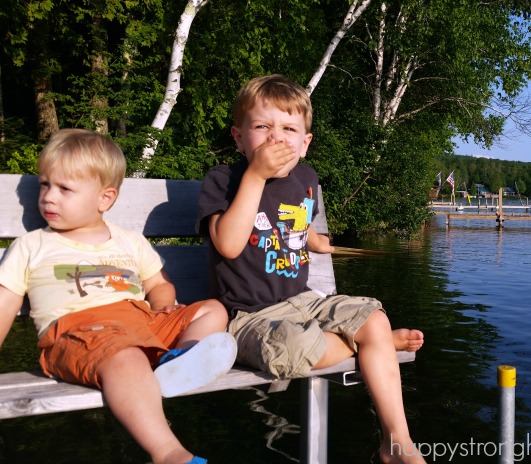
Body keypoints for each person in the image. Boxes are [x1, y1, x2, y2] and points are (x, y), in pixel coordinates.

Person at [196, 74, 426, 463]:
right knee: (298, 346)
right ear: (239, 137)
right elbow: (230, 244)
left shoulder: (306, 177)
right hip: (251, 317)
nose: (276, 139)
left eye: (289, 129)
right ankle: (373, 345)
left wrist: (318, 241)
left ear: (305, 143)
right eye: (262, 128)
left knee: (373, 317)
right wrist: (255, 176)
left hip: (304, 301)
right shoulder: (225, 180)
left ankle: (397, 442)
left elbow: (297, 224)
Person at [0, 129, 236, 464]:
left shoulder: (128, 240)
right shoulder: (32, 245)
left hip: (139, 322)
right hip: (80, 331)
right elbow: (5, 303)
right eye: (44, 184)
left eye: (64, 189)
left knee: (212, 310)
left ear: (105, 199)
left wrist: (164, 306)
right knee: (125, 356)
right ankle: (168, 452)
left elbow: (159, 283)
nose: (49, 197)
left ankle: (181, 358)